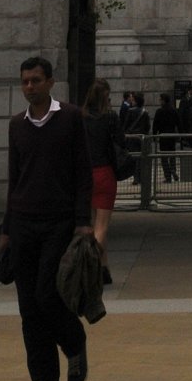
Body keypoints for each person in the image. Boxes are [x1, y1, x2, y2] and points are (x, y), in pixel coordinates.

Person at [0, 54, 94, 381]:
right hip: (23, 221)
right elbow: (14, 177)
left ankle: (74, 340)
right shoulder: (16, 125)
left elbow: (84, 173)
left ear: (51, 82)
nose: (29, 87)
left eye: (35, 80)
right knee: (28, 307)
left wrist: (84, 222)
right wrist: (6, 228)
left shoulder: (69, 118)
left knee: (47, 295)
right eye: (24, 81)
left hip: (59, 221)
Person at [82, 79, 124, 287]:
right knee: (101, 228)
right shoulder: (110, 117)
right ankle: (93, 270)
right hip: (104, 173)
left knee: (90, 224)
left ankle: (104, 267)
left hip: (84, 175)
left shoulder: (80, 117)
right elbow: (120, 143)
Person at [153, 93, 180, 183]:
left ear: (163, 100)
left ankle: (168, 176)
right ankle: (173, 170)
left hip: (163, 137)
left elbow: (155, 125)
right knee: (172, 155)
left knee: (164, 157)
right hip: (172, 136)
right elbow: (178, 122)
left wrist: (154, 136)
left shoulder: (159, 111)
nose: (159, 101)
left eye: (160, 99)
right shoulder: (174, 110)